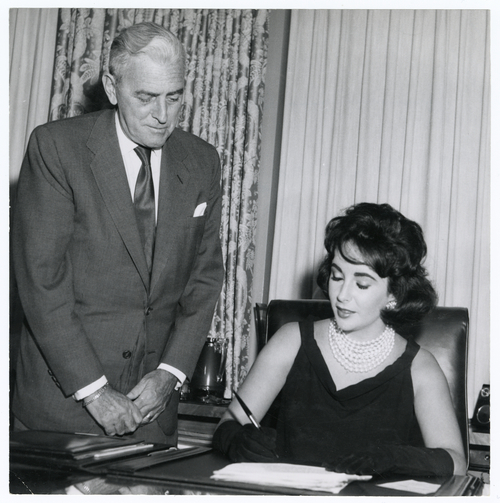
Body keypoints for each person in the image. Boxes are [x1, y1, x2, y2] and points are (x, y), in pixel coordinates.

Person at [11, 22, 224, 445]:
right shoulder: (56, 149)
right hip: (63, 410)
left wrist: (170, 374)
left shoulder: (202, 162)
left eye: (174, 96)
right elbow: (42, 282)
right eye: (145, 97)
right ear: (111, 87)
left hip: (154, 413)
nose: (163, 115)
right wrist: (94, 391)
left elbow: (204, 280)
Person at [213, 203, 467, 477]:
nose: (342, 295)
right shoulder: (291, 341)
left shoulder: (420, 368)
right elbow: (231, 421)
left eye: (362, 284)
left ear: (394, 294)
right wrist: (236, 439)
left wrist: (394, 457)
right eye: (336, 276)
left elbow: (456, 463)